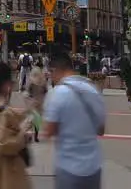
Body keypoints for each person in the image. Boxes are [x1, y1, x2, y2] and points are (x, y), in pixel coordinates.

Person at [43, 51, 105, 189]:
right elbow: (101, 130)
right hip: (93, 167)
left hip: (68, 167)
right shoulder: (93, 90)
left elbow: (49, 131)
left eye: (50, 74)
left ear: (54, 70)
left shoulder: (57, 94)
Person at [25, 67, 48, 142]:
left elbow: (45, 91)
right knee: (34, 120)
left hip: (36, 103)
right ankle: (33, 136)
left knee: (35, 120)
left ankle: (34, 136)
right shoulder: (37, 82)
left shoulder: (37, 82)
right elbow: (45, 91)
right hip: (36, 103)